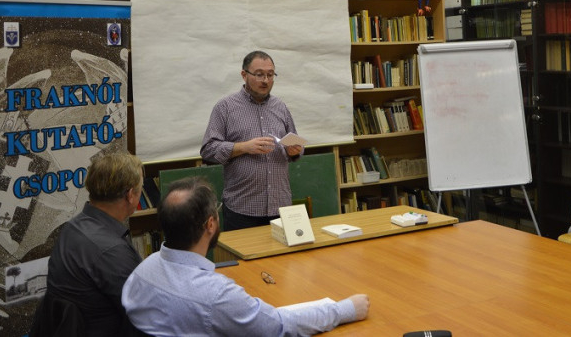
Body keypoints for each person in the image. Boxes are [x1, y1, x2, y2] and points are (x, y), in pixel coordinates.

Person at [122, 177, 370, 336]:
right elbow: (277, 326)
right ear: (210, 225)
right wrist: (344, 310)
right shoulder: (216, 295)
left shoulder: (142, 270)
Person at [35, 150, 143, 337]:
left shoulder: (72, 227)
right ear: (130, 195)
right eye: (141, 187)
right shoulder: (111, 251)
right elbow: (145, 315)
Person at [201, 50, 304, 231]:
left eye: (270, 75)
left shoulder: (281, 107)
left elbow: (295, 144)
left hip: (280, 206)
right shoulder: (225, 107)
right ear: (244, 75)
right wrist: (244, 147)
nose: (265, 80)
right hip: (242, 209)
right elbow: (208, 150)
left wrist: (295, 151)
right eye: (259, 74)